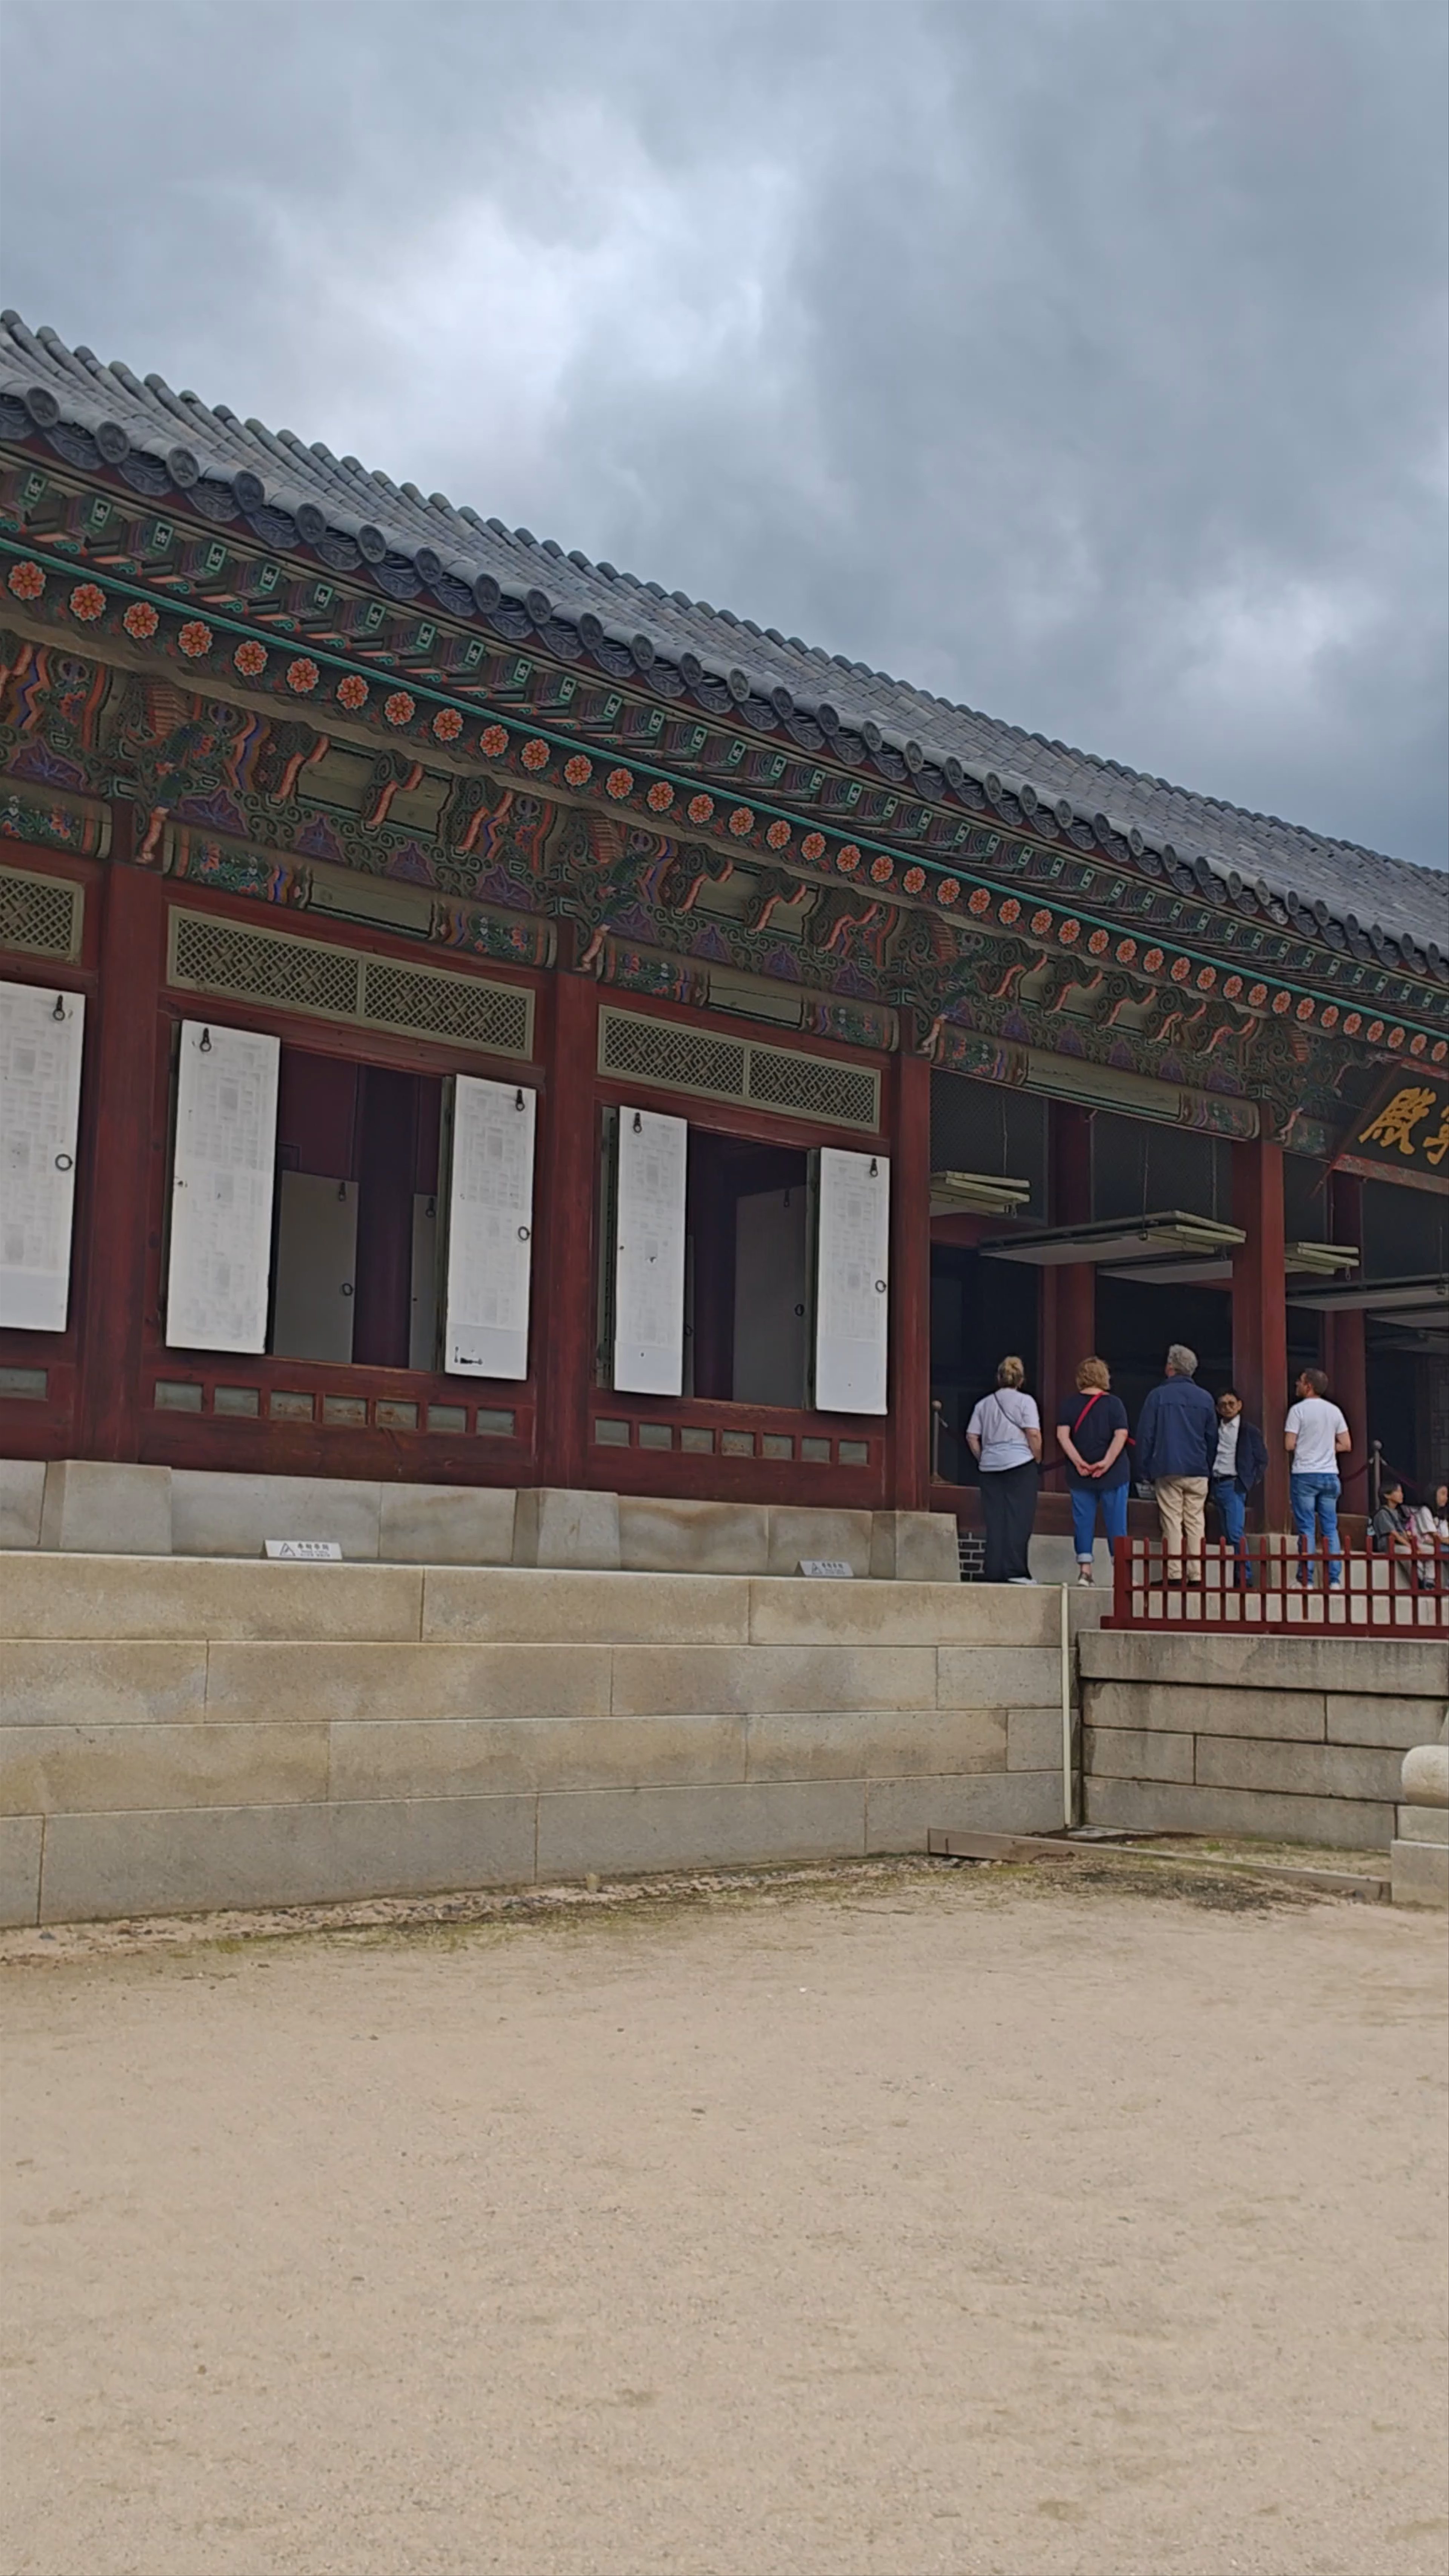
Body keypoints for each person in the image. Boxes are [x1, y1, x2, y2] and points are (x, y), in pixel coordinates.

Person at [1134, 1343, 1218, 1582]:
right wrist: (1208, 1465)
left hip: (1168, 1465)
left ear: (1170, 1367)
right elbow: (1212, 1438)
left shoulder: (1158, 1396)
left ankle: (1174, 1573)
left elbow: (1146, 1435)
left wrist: (1144, 1468)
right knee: (1195, 1520)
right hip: (1198, 1468)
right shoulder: (1205, 1398)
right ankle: (1196, 1573)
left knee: (1172, 1519)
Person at [965, 1356, 1042, 1585]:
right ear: (1021, 1380)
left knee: (995, 1519)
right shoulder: (1026, 1402)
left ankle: (994, 1569)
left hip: (990, 1466)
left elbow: (972, 1436)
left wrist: (983, 1457)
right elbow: (1034, 1434)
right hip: (1020, 1463)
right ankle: (1016, 1570)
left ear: (999, 1378)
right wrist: (1036, 1458)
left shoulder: (984, 1404)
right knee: (1019, 1519)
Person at [1055, 1356, 1131, 1586]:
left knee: (1083, 1520)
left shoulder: (1070, 1404)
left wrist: (1079, 1462)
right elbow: (1121, 1435)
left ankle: (1085, 1571)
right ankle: (1121, 1574)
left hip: (1081, 1474)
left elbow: (1062, 1435)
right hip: (1114, 1472)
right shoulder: (1114, 1404)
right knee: (1117, 1521)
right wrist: (1107, 1462)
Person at [1284, 1366, 1350, 1589]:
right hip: (1330, 1474)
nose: (1297, 1385)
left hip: (1305, 1473)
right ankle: (1334, 1579)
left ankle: (1306, 1579)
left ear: (1308, 1386)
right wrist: (1326, 1447)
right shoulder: (1335, 1411)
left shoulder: (1297, 1411)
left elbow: (1289, 1444)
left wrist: (1308, 1445)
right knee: (1331, 1527)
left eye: (1300, 1382)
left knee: (1307, 1528)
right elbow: (1346, 1444)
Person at [1209, 1387, 1269, 1587]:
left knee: (1236, 1532)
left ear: (1240, 1405)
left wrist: (1250, 1481)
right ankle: (1234, 1574)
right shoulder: (1214, 1429)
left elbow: (1262, 1459)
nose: (1227, 1408)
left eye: (1231, 1404)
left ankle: (1246, 1576)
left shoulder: (1249, 1430)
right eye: (1223, 1405)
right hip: (1216, 1482)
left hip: (1234, 1483)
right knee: (1226, 1532)